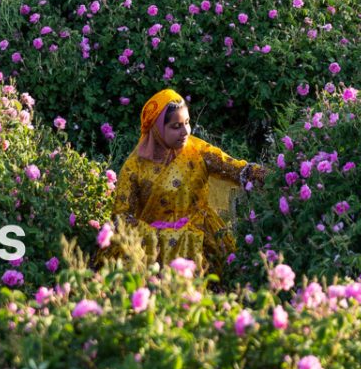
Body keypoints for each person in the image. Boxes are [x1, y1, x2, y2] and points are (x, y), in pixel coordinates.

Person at [111, 89, 266, 275]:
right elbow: (121, 216)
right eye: (176, 126)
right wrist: (160, 235)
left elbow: (233, 168)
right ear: (158, 129)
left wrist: (264, 174)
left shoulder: (197, 150)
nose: (185, 131)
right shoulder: (134, 167)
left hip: (201, 240)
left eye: (187, 122)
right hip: (156, 251)